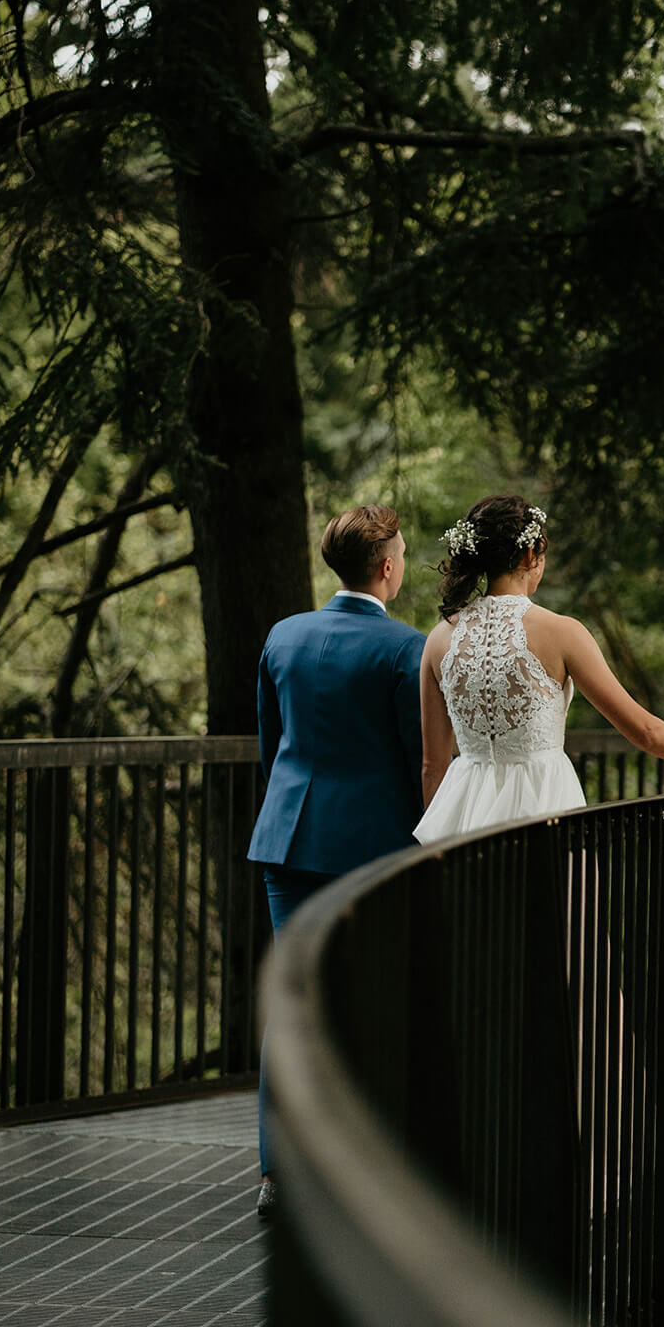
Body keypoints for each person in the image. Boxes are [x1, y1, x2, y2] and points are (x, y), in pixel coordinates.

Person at [247, 504, 426, 1217]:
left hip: (287, 838)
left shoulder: (283, 636)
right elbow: (420, 761)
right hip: (373, 845)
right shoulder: (404, 649)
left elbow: (272, 744)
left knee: (293, 1001)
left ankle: (277, 1172)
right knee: (376, 1001)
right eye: (404, 554)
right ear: (387, 567)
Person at [415, 495, 664, 845]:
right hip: (542, 808)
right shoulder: (562, 632)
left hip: (462, 815)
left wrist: (437, 845)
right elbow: (643, 731)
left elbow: (432, 767)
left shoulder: (439, 639)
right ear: (531, 555)